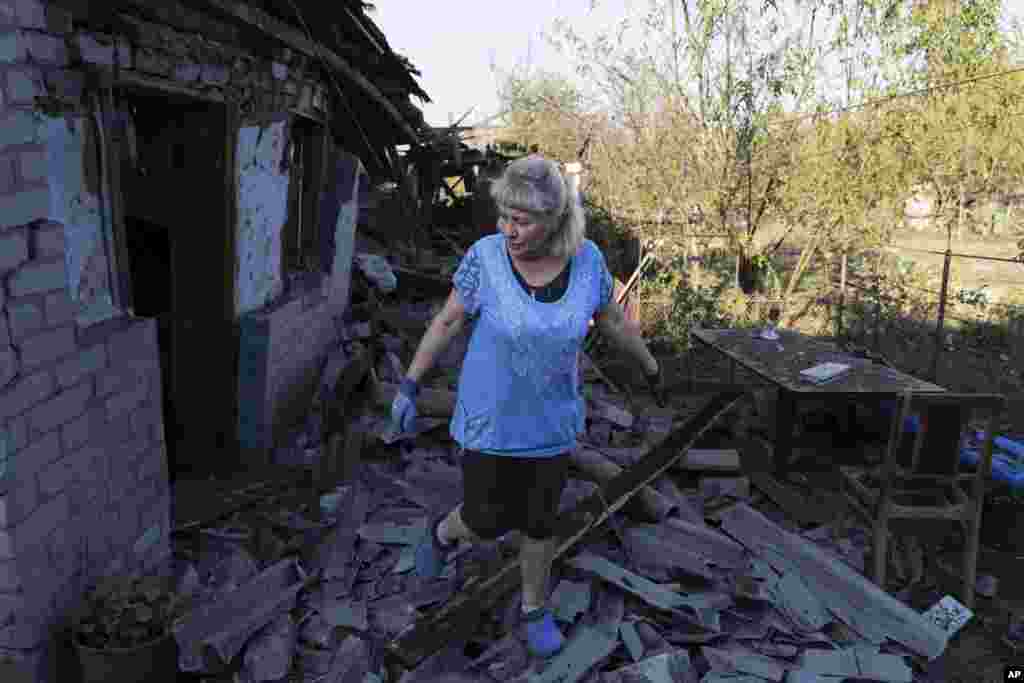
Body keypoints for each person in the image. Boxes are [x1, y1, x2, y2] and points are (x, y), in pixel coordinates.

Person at [390, 155, 666, 658]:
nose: (508, 230)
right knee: (485, 517)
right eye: (504, 217)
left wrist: (649, 364)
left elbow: (613, 322)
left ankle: (534, 607)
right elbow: (448, 321)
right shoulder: (486, 258)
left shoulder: (588, 263)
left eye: (522, 221)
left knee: (540, 521)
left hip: (550, 419)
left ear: (555, 220)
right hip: (489, 417)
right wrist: (410, 383)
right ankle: (440, 533)